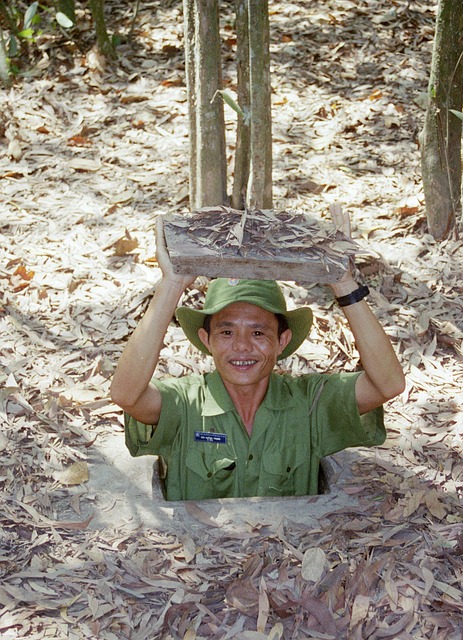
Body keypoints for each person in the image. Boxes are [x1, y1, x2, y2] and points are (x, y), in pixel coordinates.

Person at [110, 210, 405, 501]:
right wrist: (172, 284)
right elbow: (126, 394)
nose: (242, 346)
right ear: (206, 339)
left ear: (282, 340)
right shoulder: (185, 404)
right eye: (226, 332)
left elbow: (387, 385)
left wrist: (344, 283)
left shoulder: (309, 405)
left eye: (258, 333)